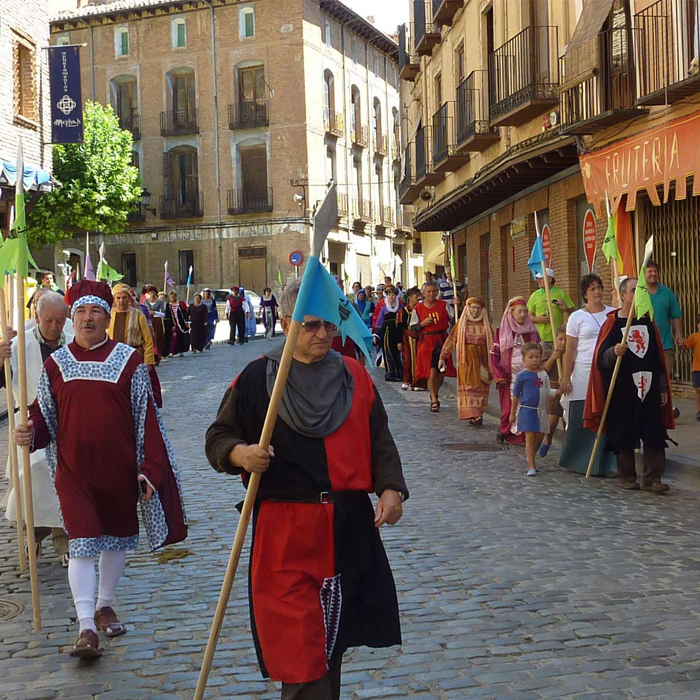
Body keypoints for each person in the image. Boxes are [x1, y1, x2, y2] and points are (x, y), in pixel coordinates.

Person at [205, 278, 407, 700]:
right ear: (285, 323)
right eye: (312, 325)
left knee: (329, 642)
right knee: (300, 646)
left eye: (329, 326)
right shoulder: (258, 378)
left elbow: (379, 439)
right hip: (286, 531)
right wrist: (241, 454)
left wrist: (390, 489)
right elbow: (218, 437)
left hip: (347, 528)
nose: (323, 335)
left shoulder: (354, 375)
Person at [13, 280, 187, 659]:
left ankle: (104, 603)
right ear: (72, 319)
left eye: (95, 312)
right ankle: (86, 627)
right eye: (81, 313)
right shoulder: (55, 364)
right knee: (82, 543)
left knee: (117, 538)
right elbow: (44, 415)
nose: (87, 319)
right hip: (74, 473)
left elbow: (146, 419)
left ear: (108, 318)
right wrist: (30, 430)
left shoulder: (128, 360)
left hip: (119, 470)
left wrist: (149, 470)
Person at [0, 292, 73, 566]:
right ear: (36, 317)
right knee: (34, 482)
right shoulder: (19, 346)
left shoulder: (73, 338)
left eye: (59, 320)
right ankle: (32, 536)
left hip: (67, 422)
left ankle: (64, 541)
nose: (54, 327)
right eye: (48, 321)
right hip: (30, 423)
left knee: (63, 484)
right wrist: (0, 359)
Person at [584, 277, 674, 493]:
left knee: (653, 432)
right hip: (623, 389)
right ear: (623, 295)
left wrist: (662, 387)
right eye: (634, 290)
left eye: (640, 290)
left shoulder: (647, 323)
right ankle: (627, 476)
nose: (638, 294)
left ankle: (653, 478)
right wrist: (613, 352)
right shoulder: (612, 324)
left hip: (648, 386)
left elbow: (656, 358)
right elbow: (600, 359)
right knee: (623, 432)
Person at [558, 274, 616, 475]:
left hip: (607, 369)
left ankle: (607, 462)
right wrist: (566, 376)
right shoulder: (577, 317)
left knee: (606, 414)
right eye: (592, 289)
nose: (597, 292)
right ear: (585, 293)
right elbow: (571, 349)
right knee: (582, 413)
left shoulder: (612, 314)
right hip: (583, 370)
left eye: (599, 287)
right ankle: (578, 460)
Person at [491, 297, 540, 445]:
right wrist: (498, 374)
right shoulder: (501, 331)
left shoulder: (531, 331)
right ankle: (504, 430)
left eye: (525, 312)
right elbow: (494, 355)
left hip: (527, 374)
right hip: (508, 376)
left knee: (526, 405)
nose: (523, 315)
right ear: (511, 313)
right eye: (520, 312)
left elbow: (538, 350)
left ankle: (523, 435)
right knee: (508, 408)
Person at [439, 297, 493, 425]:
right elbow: (451, 340)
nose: (475, 311)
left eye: (478, 308)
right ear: (468, 309)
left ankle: (478, 413)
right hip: (466, 359)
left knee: (481, 386)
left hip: (482, 358)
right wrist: (443, 356)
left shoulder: (486, 325)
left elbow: (494, 343)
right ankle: (473, 413)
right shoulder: (461, 324)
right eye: (472, 308)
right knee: (469, 387)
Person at [108, 283, 162, 406]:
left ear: (129, 298)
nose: (121, 301)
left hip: (134, 358)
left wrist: (148, 361)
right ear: (114, 299)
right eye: (118, 298)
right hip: (113, 359)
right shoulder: (109, 315)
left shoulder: (138, 314)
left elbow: (147, 340)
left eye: (124, 297)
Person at [511, 343, 556, 476]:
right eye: (531, 357)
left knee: (540, 435)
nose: (535, 360)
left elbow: (547, 390)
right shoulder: (522, 376)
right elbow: (515, 395)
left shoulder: (543, 374)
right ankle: (531, 465)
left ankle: (531, 456)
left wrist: (559, 391)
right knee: (530, 436)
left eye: (537, 357)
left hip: (541, 411)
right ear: (524, 359)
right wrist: (512, 413)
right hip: (527, 411)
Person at [410, 281, 455, 412]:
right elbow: (413, 327)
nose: (432, 294)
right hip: (427, 342)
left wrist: (458, 306)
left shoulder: (444, 305)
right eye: (428, 292)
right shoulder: (418, 309)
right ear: (423, 293)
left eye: (434, 291)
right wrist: (422, 324)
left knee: (441, 372)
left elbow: (454, 319)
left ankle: (434, 392)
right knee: (431, 371)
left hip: (442, 341)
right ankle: (434, 399)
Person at [645, 261, 683, 409]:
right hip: (645, 345)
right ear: (644, 274)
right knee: (649, 378)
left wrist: (678, 336)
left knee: (665, 379)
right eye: (650, 271)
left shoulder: (667, 292)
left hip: (665, 345)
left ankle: (667, 410)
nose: (653, 274)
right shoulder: (639, 293)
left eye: (655, 271)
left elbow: (675, 315)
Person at [526, 268, 575, 349]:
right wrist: (538, 319)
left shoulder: (561, 293)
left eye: (540, 278)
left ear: (549, 279)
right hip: (540, 338)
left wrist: (566, 309)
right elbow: (527, 317)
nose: (538, 281)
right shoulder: (534, 295)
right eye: (537, 279)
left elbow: (574, 314)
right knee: (544, 361)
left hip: (557, 337)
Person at [538, 326, 566, 458]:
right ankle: (547, 440)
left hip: (566, 390)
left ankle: (567, 448)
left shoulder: (571, 354)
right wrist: (553, 358)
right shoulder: (548, 353)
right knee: (552, 421)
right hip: (553, 390)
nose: (563, 343)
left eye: (566, 340)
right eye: (560, 339)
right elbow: (544, 370)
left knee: (568, 421)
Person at [374, 286, 405, 382]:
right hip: (386, 332)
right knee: (388, 352)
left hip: (397, 331)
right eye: (389, 295)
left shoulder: (400, 307)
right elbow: (379, 322)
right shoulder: (383, 308)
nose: (391, 297)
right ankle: (390, 373)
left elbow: (403, 321)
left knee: (397, 352)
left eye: (393, 295)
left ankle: (398, 373)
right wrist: (376, 335)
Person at [400, 287, 421, 391]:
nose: (418, 298)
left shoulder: (421, 309)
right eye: (416, 296)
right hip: (406, 337)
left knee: (418, 359)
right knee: (407, 359)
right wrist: (399, 341)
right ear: (409, 297)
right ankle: (406, 380)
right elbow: (399, 327)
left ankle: (417, 381)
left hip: (418, 337)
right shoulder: (403, 311)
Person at [681, 315, 700, 421]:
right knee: (698, 389)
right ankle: (699, 410)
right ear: (697, 325)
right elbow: (686, 346)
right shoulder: (694, 336)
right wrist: (681, 343)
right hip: (697, 368)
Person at [143, 285, 167, 358]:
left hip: (157, 321)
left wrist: (155, 313)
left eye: (153, 293)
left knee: (158, 337)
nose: (152, 295)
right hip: (149, 321)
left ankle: (160, 353)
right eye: (150, 293)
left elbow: (163, 314)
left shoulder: (160, 302)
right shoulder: (145, 301)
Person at [165, 291, 190, 357]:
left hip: (181, 322)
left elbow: (185, 313)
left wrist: (186, 322)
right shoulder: (168, 305)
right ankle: (172, 351)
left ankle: (181, 350)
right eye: (171, 297)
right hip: (173, 322)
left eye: (173, 296)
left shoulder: (180, 303)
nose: (172, 298)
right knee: (173, 337)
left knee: (181, 337)